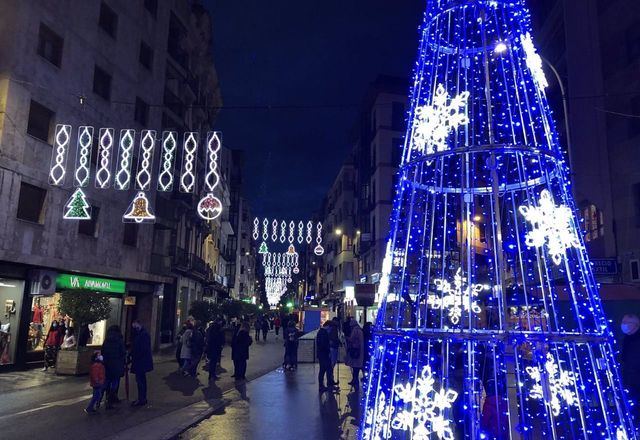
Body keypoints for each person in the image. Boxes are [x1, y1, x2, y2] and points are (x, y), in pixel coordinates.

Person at [101, 325, 126, 409]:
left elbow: (103, 350)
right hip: (117, 363)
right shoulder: (119, 340)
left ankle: (106, 397)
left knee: (107, 381)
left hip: (107, 363)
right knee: (115, 381)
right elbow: (122, 352)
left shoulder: (107, 340)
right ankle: (112, 397)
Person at [621, 314, 640, 421]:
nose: (624, 325)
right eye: (623, 322)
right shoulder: (626, 339)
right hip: (630, 380)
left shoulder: (635, 340)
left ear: (636, 325)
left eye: (627, 323)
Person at [130, 320, 153, 406]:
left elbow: (142, 349)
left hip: (141, 362)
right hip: (140, 361)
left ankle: (142, 399)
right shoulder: (140, 334)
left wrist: (134, 355)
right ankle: (142, 398)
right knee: (141, 380)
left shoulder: (143, 334)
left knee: (140, 381)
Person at [316, 321, 335, 392]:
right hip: (324, 354)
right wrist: (328, 348)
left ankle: (323, 385)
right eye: (330, 328)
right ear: (328, 326)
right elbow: (323, 344)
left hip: (322, 354)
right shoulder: (323, 333)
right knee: (325, 369)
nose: (330, 330)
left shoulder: (321, 332)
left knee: (323, 370)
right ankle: (325, 385)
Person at [346, 320, 364, 387]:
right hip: (360, 350)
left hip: (355, 350)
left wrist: (346, 338)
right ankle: (354, 380)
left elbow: (352, 339)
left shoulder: (355, 330)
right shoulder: (360, 330)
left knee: (355, 367)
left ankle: (355, 380)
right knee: (357, 366)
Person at [329, 318, 341, 382]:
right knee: (332, 363)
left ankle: (331, 378)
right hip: (333, 347)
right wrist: (338, 341)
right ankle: (331, 379)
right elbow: (333, 337)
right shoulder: (334, 328)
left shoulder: (332, 327)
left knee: (332, 363)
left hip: (333, 347)